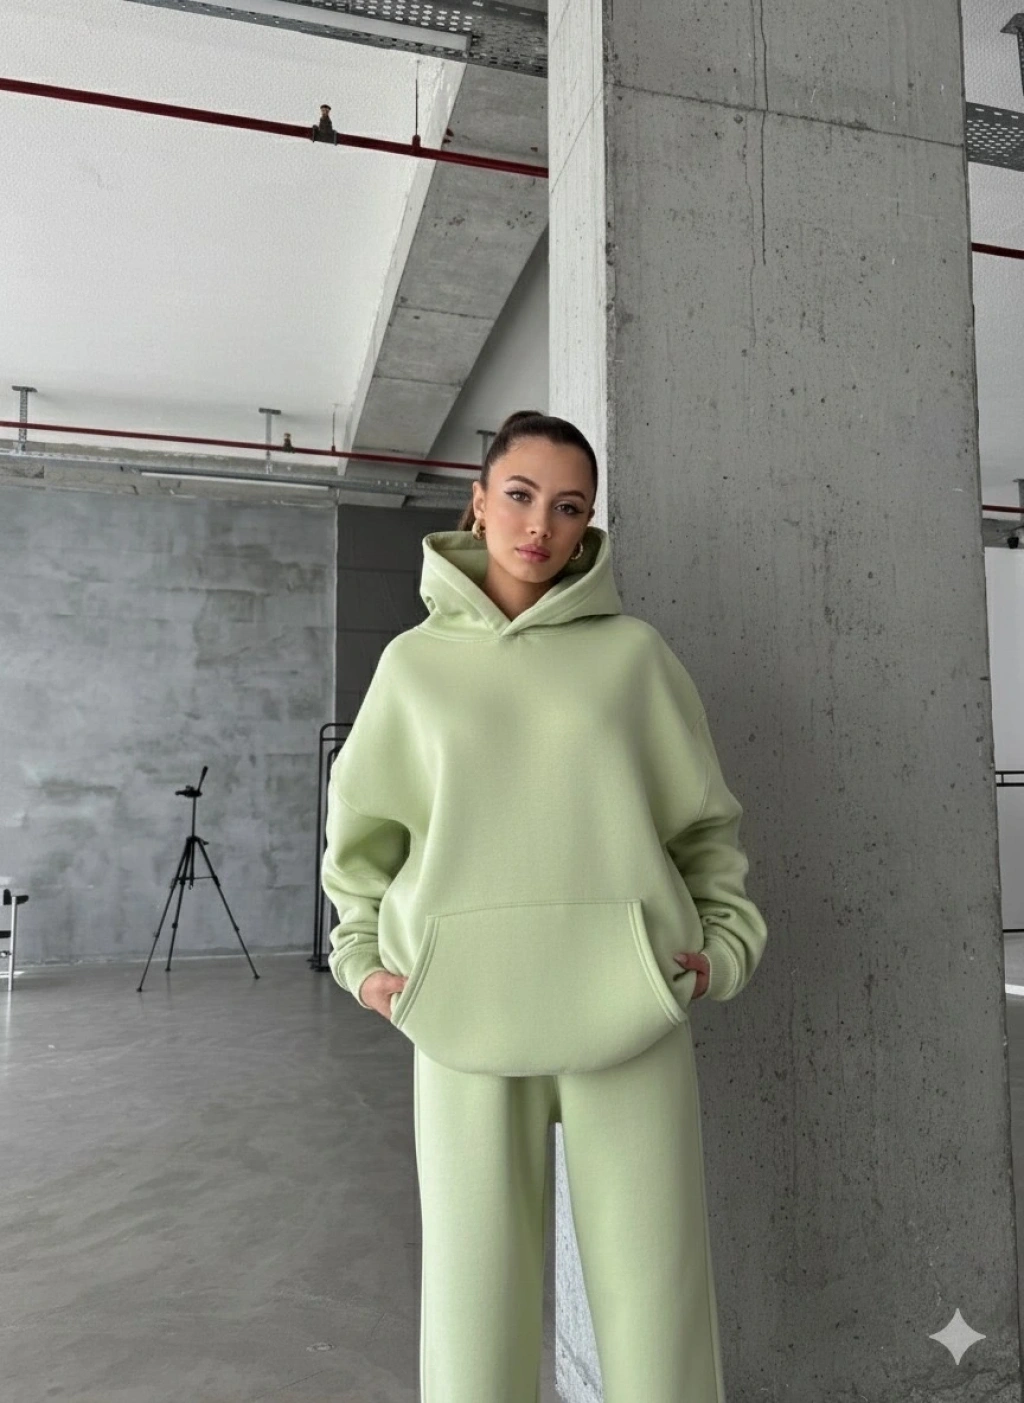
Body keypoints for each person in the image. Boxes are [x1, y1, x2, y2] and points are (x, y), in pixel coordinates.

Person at [320, 408, 768, 1403]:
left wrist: (722, 949)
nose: (540, 525)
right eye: (520, 495)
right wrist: (365, 965)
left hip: (629, 1007)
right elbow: (361, 843)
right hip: (461, 1016)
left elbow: (705, 827)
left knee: (658, 1308)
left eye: (569, 507)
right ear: (478, 502)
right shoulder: (412, 667)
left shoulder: (635, 657)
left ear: (587, 523)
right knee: (473, 1314)